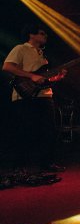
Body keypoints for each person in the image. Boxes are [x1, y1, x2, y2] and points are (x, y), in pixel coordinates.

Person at [2, 24, 66, 173]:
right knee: (26, 131)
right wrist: (32, 76)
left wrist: (56, 78)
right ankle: (20, 167)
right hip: (24, 95)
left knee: (49, 130)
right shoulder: (21, 48)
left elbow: (42, 79)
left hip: (45, 95)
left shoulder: (43, 54)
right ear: (31, 35)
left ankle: (47, 163)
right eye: (42, 33)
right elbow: (7, 67)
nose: (45, 35)